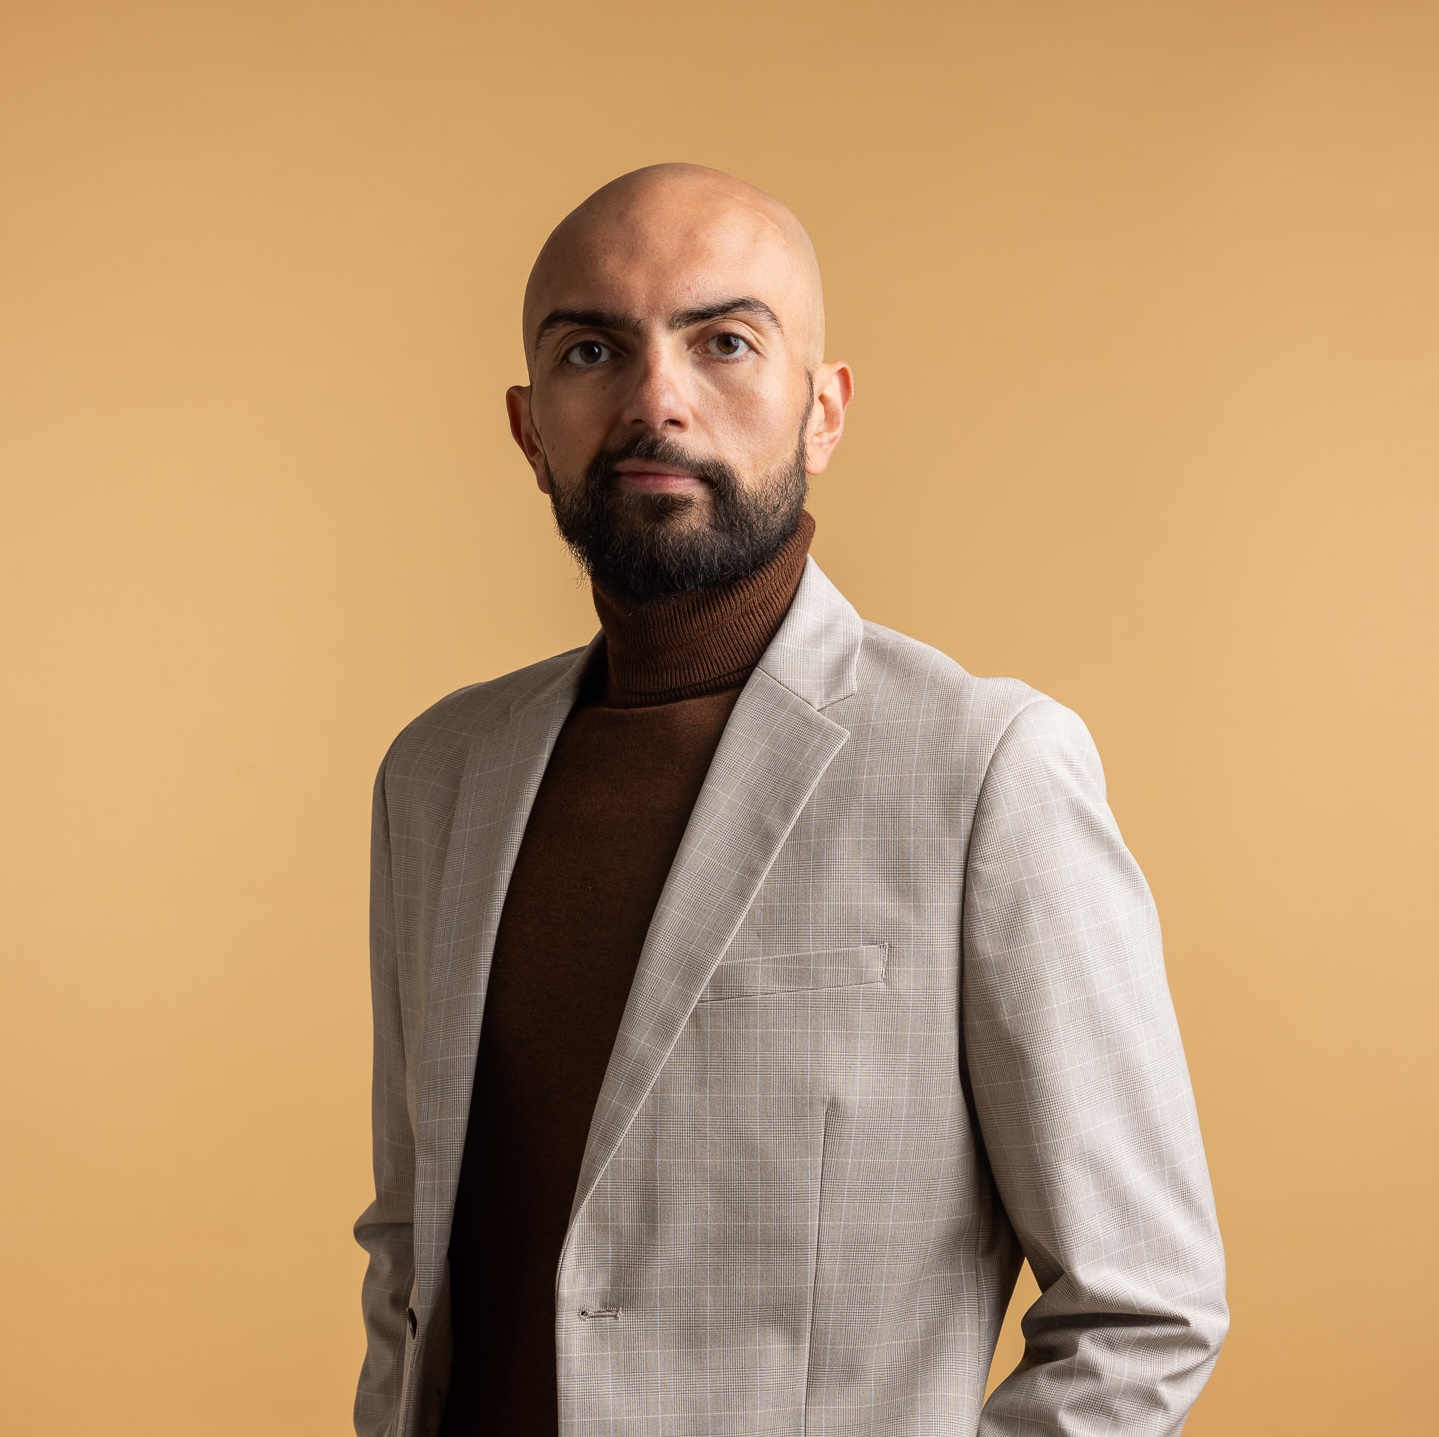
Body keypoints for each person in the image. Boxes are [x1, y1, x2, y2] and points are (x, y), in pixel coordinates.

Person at [353, 163, 1227, 1437]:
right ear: (528, 424)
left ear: (822, 412)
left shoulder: (982, 768)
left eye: (724, 342)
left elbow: (1144, 1308)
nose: (657, 399)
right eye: (592, 348)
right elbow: (408, 1245)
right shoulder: (436, 776)